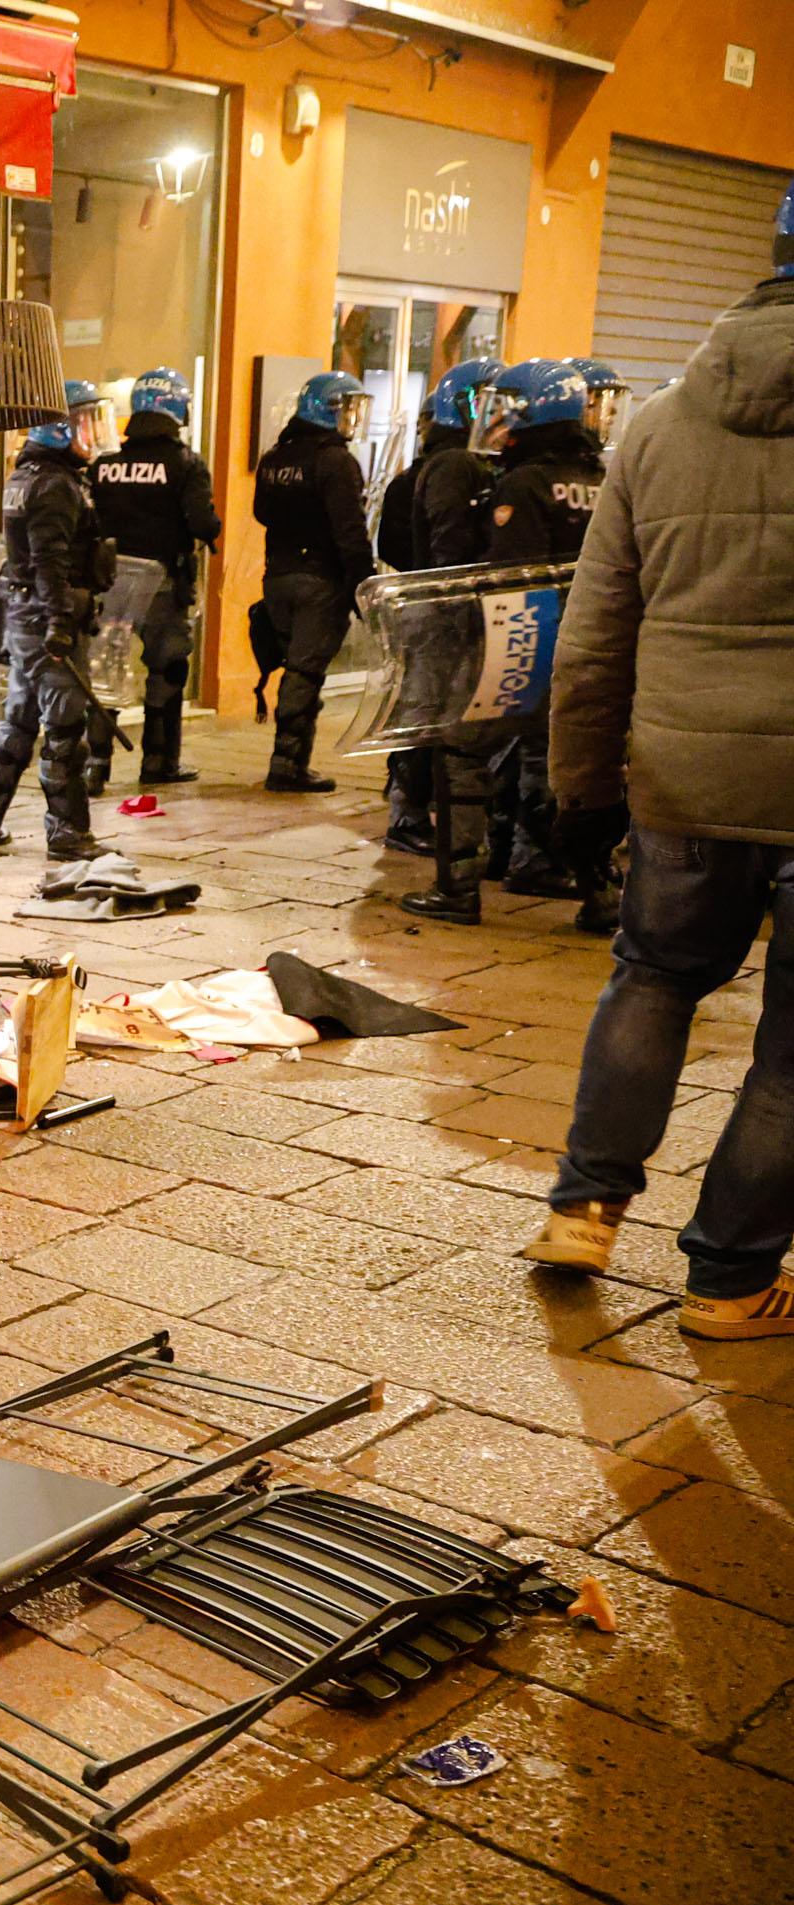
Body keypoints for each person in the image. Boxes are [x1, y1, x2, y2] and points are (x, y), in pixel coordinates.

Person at [520, 188, 794, 1339]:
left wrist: (578, 784)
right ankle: (730, 1281)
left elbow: (594, 630)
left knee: (654, 974)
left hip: (683, 772)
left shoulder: (659, 425)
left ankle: (585, 1207)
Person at [401, 360, 606, 928]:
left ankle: (458, 888)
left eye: (509, 405)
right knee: (570, 770)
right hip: (589, 646)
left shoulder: (522, 482)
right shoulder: (601, 480)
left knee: (462, 752)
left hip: (526, 637)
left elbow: (513, 577)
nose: (499, 418)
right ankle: (594, 888)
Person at [0, 380, 115, 861]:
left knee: (19, 722)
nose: (90, 434)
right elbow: (49, 562)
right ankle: (67, 832)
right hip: (45, 618)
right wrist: (60, 623)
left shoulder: (27, 477)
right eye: (83, 423)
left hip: (24, 616)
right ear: (57, 428)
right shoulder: (53, 484)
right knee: (65, 732)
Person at [374, 357, 500, 854]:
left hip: (435, 603)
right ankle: (407, 814)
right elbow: (432, 545)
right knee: (426, 714)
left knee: (435, 714)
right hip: (437, 608)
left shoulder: (461, 465)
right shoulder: (450, 468)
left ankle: (420, 806)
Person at [89, 367, 221, 788]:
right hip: (162, 584)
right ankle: (159, 763)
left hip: (109, 583)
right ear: (177, 408)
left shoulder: (104, 463)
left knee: (104, 670)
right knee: (165, 673)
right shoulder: (185, 463)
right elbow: (203, 524)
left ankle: (94, 765)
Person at [251, 370, 375, 792]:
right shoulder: (335, 461)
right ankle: (287, 765)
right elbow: (350, 531)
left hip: (277, 577)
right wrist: (364, 586)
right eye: (348, 409)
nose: (352, 420)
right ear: (327, 411)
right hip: (319, 580)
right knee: (305, 672)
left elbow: (263, 514)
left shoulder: (275, 459)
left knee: (295, 668)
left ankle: (290, 761)